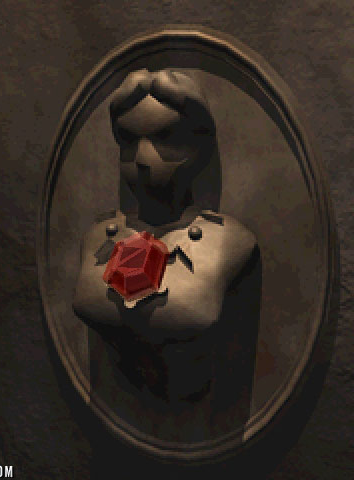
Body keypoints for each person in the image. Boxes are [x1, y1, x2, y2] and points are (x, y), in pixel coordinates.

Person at [73, 69, 260, 407]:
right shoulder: (99, 236)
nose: (142, 159)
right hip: (122, 406)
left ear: (199, 146)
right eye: (129, 140)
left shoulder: (229, 241)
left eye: (165, 138)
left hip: (196, 406)